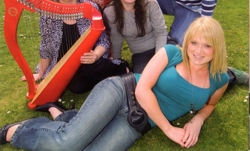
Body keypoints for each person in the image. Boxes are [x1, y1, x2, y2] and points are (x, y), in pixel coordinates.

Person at [1, 17, 231, 150]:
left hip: (137, 122)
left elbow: (209, 105)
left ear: (217, 48)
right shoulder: (172, 53)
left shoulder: (219, 78)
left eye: (207, 45)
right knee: (67, 144)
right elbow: (142, 89)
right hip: (122, 91)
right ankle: (15, 132)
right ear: (187, 42)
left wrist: (197, 121)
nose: (198, 51)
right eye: (194, 42)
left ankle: (64, 116)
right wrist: (169, 129)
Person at [21, 0, 128, 95]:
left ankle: (121, 67)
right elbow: (46, 47)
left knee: (89, 67)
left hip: (92, 61)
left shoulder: (90, 8)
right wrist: (40, 74)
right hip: (66, 67)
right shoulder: (48, 16)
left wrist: (95, 55)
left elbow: (103, 41)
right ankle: (108, 76)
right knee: (76, 87)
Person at [103, 0, 168, 73]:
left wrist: (158, 60)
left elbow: (161, 32)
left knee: (172, 73)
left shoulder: (150, 3)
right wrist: (117, 64)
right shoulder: (111, 11)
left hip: (162, 48)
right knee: (143, 79)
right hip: (141, 54)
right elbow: (116, 39)